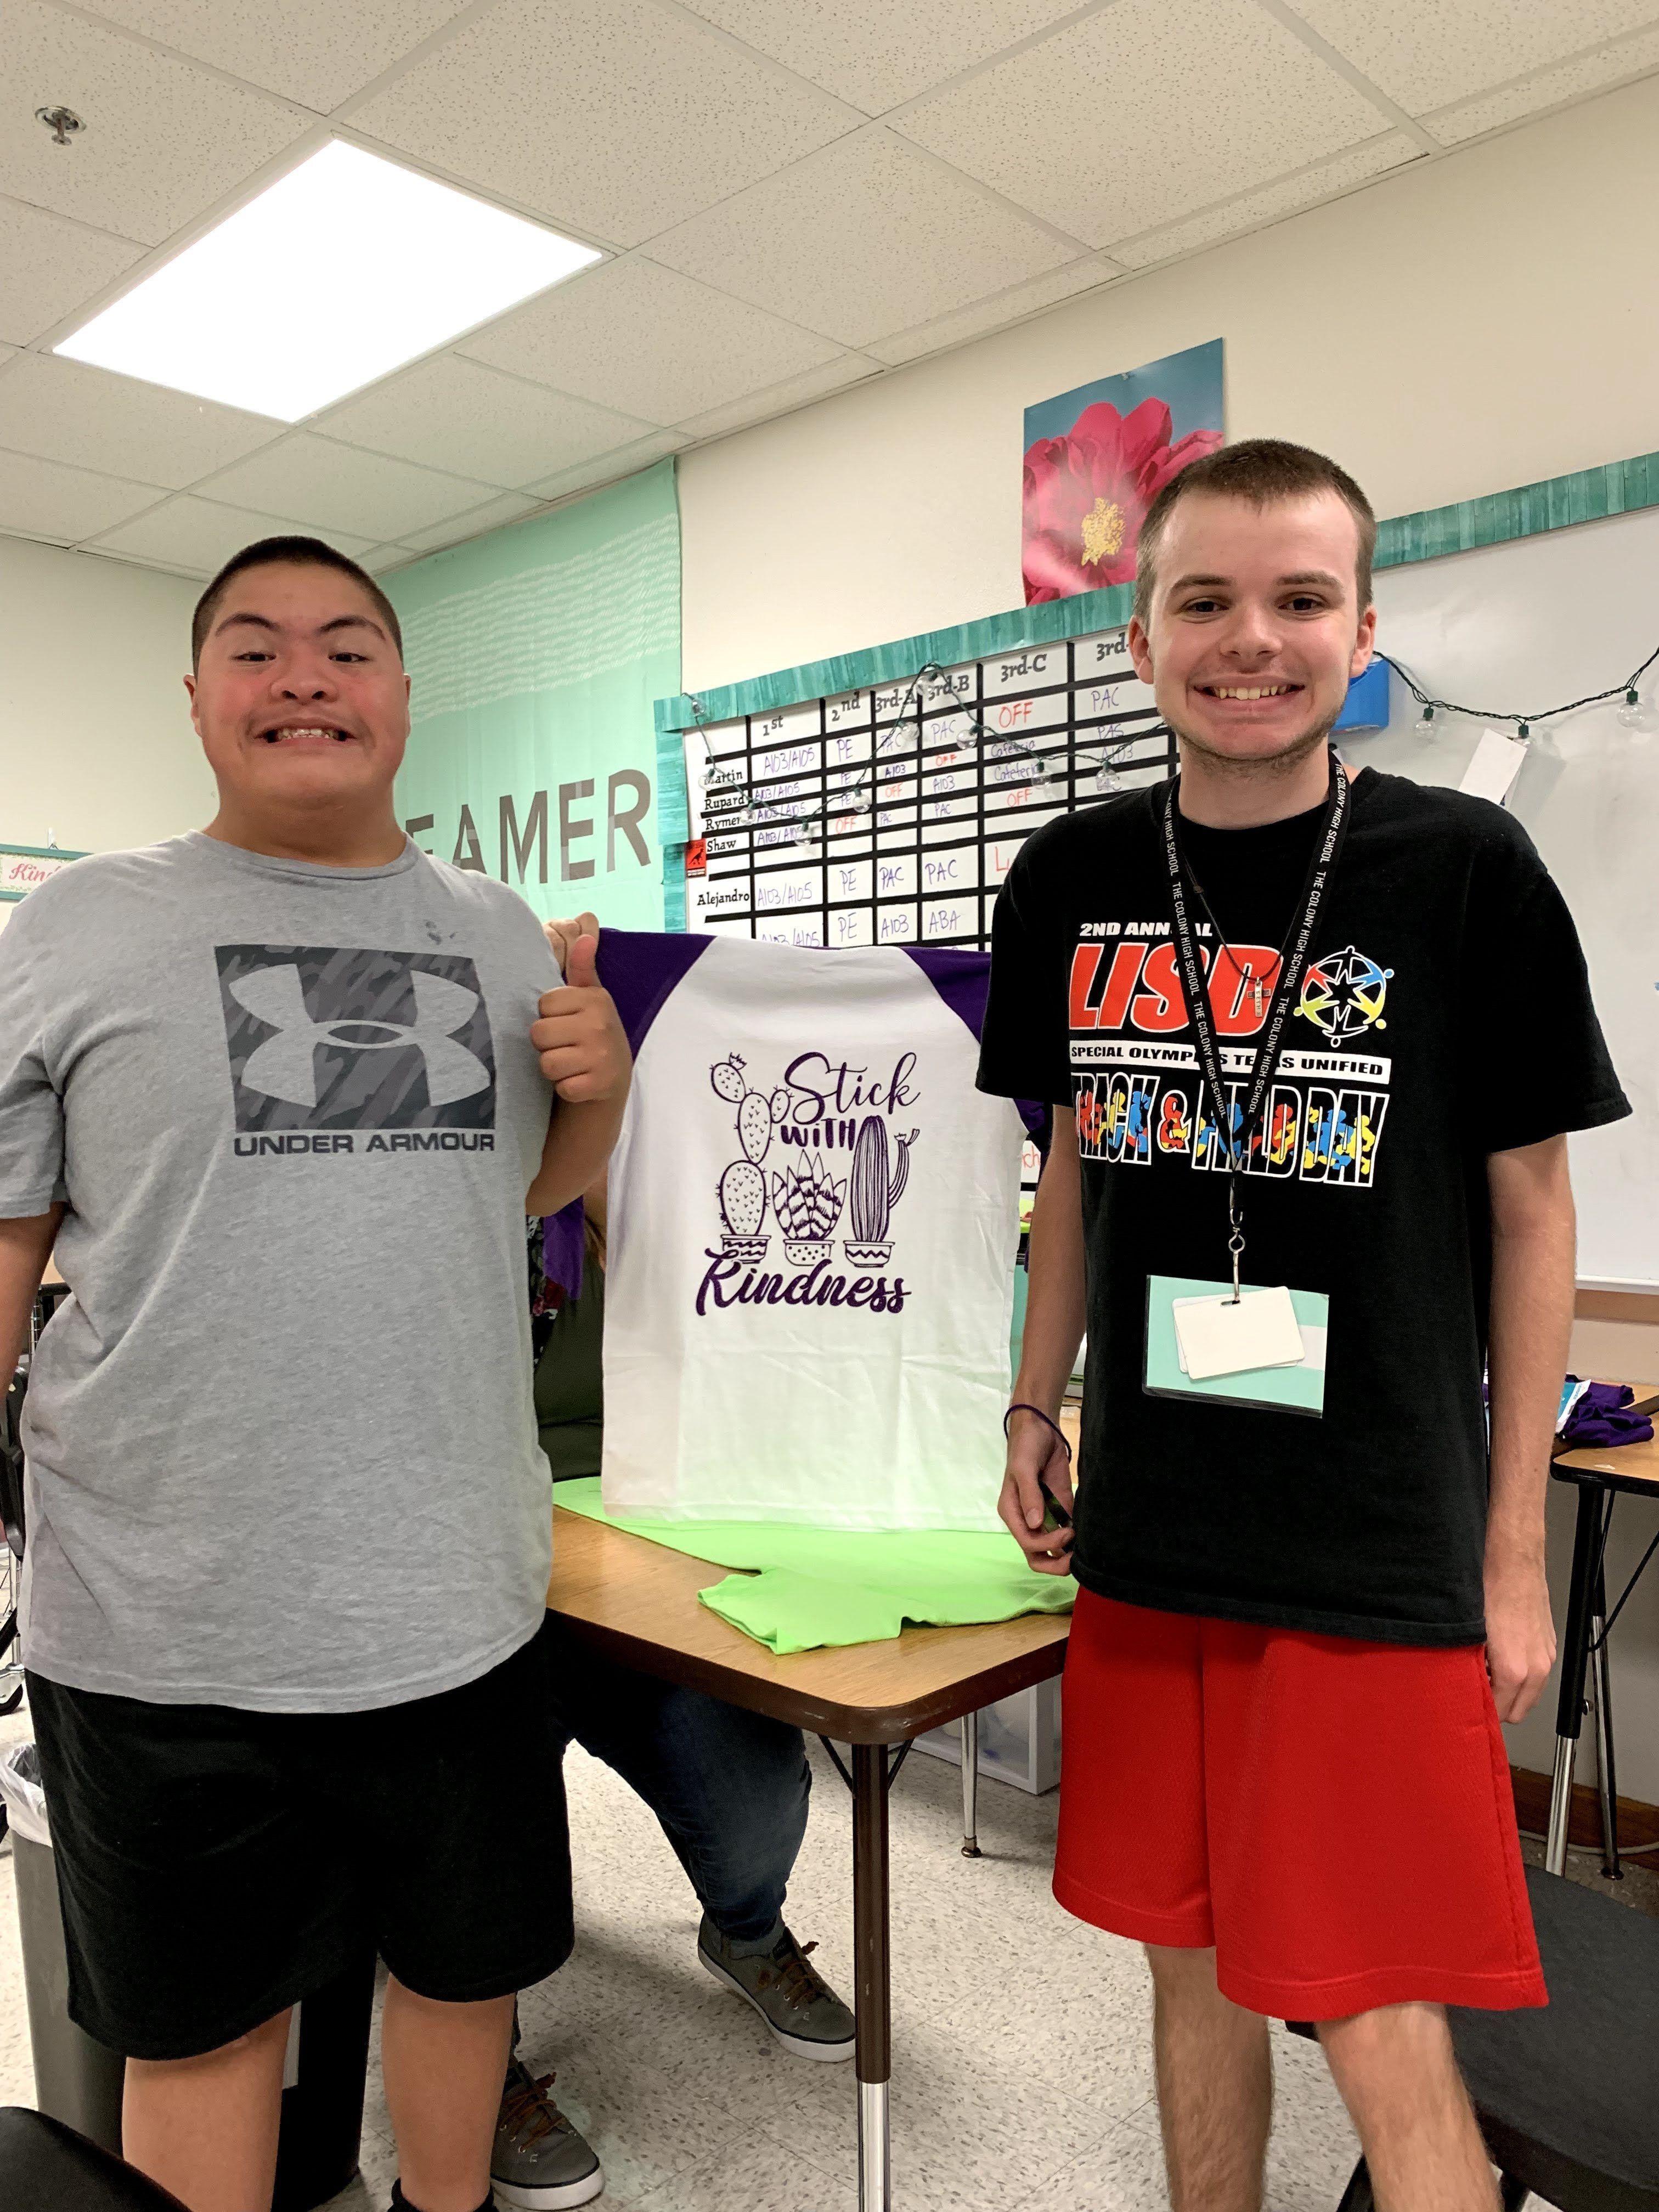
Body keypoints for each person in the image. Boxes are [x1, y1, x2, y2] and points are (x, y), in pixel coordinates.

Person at [977, 441, 1629, 2212]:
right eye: (1204, 600)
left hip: (1365, 1534)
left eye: (1295, 600)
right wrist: (1034, 1404)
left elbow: (1529, 1212)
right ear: (1138, 636)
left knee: (1367, 1998)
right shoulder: (1069, 873)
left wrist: (1507, 1553)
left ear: (1359, 632)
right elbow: (1073, 1171)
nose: (1248, 638)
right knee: (1181, 1960)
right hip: (1159, 1519)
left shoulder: (1463, 866)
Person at [0, 537, 631, 2212]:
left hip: (452, 1600)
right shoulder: (69, 931)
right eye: (257, 648)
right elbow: (4, 1243)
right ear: (200, 697)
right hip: (165, 1618)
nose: (304, 678)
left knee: (461, 1975)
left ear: (405, 697)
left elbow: (503, 1193)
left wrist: (603, 1097)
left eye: (347, 648)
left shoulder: (504, 936)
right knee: (202, 2033)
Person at [488, 962, 855, 2210]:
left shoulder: (648, 1188)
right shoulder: (422, 1209)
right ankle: (481, 2049)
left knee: (755, 1787)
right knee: (477, 1829)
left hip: (635, 1538)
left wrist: (611, 1202)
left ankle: (745, 1929)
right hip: (475, 1554)